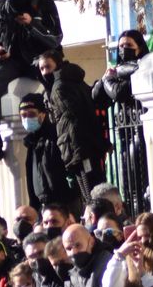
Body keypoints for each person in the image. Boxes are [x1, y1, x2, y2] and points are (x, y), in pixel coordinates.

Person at [0, 0, 63, 174]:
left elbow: (56, 38)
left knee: (57, 92)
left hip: (39, 59)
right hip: (12, 62)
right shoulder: (0, 10)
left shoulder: (44, 5)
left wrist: (32, 24)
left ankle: (61, 137)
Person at [40, 48, 105, 204]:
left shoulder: (59, 87)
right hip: (87, 144)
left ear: (58, 64)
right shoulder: (74, 80)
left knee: (89, 192)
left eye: (47, 67)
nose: (44, 72)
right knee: (92, 188)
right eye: (41, 68)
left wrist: (75, 152)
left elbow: (71, 120)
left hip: (78, 148)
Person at [17, 93, 77, 212]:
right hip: (43, 207)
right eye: (23, 115)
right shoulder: (31, 143)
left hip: (64, 205)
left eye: (31, 114)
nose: (27, 119)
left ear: (43, 114)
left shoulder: (55, 137)